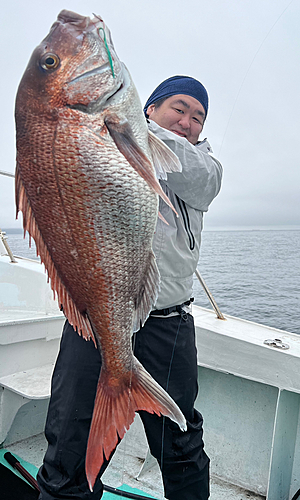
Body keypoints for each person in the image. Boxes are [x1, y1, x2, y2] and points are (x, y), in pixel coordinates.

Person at [37, 75, 223, 500]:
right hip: (95, 321)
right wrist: (111, 123)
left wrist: (126, 125)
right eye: (179, 107)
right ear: (151, 108)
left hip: (169, 324)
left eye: (198, 117)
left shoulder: (203, 166)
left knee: (181, 444)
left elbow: (200, 180)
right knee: (70, 443)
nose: (188, 121)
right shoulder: (105, 138)